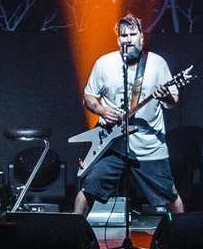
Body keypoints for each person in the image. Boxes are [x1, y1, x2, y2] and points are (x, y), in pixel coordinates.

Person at [75, 14, 184, 217]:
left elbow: (173, 100)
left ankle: (181, 237)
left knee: (170, 197)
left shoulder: (157, 64)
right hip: (112, 146)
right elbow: (88, 97)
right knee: (88, 189)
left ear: (141, 37)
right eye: (123, 35)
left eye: (133, 34)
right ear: (118, 39)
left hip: (148, 146)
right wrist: (101, 110)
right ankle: (73, 236)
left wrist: (166, 95)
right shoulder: (104, 63)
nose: (128, 39)